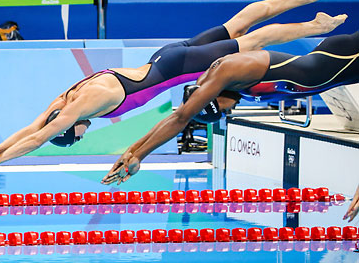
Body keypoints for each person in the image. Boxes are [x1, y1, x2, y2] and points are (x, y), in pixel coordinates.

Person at [0, 0, 346, 179]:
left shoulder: (81, 106)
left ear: (72, 127)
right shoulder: (63, 99)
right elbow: (32, 126)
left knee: (253, 40)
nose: (83, 132)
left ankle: (313, 24)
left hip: (179, 68)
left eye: (78, 134)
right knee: (239, 23)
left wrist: (0, 162)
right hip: (165, 57)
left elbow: (37, 137)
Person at [101, 21, 359, 186]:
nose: (228, 111)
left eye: (222, 110)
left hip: (342, 60)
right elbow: (181, 116)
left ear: (214, 100)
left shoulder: (227, 71)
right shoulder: (217, 81)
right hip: (334, 65)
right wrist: (132, 152)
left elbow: (180, 119)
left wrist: (141, 156)